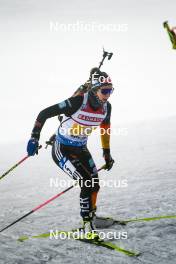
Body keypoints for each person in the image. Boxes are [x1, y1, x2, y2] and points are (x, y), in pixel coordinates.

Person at [27, 70, 114, 239]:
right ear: (95, 90)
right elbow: (44, 113)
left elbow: (105, 129)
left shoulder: (106, 107)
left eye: (111, 90)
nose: (108, 95)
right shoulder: (77, 102)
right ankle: (86, 225)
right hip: (62, 149)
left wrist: (107, 153)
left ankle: (92, 218)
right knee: (87, 183)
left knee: (94, 185)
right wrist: (34, 138)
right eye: (104, 90)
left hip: (81, 148)